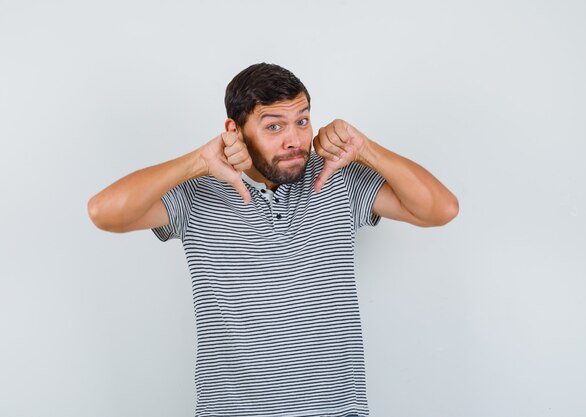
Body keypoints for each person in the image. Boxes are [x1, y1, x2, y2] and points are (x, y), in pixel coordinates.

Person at [88, 62, 459, 417]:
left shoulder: (337, 178)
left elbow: (440, 209)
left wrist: (365, 150)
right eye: (274, 127)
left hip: (336, 410)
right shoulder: (196, 191)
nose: (295, 140)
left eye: (302, 120)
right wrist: (197, 162)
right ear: (235, 130)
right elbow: (104, 213)